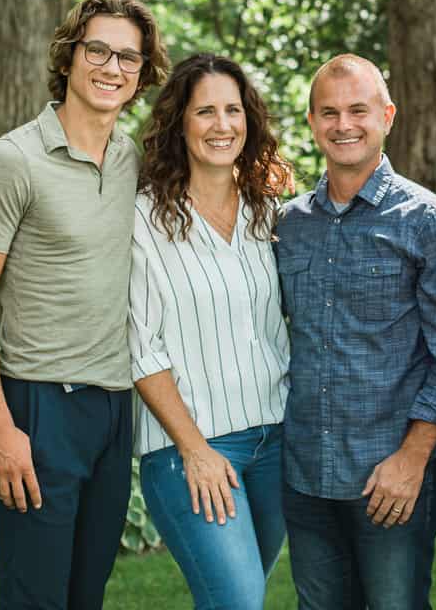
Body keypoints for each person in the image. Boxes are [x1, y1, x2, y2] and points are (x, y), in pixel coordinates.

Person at [0, 0, 169, 610]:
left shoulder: (134, 161)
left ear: (142, 73)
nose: (112, 67)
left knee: (84, 595)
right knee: (35, 598)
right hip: (39, 406)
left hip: (114, 408)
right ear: (69, 57)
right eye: (97, 50)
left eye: (129, 57)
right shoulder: (10, 161)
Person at [275, 54, 436, 609]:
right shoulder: (289, 225)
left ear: (387, 115)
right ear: (313, 122)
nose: (344, 124)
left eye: (358, 110)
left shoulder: (427, 221)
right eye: (330, 112)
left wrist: (412, 459)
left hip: (393, 473)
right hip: (307, 473)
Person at [127, 53, 295, 609]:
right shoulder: (142, 221)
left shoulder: (267, 215)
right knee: (239, 601)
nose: (223, 125)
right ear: (180, 124)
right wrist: (194, 449)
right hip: (191, 448)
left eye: (233, 110)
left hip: (275, 439)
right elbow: (139, 346)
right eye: (205, 112)